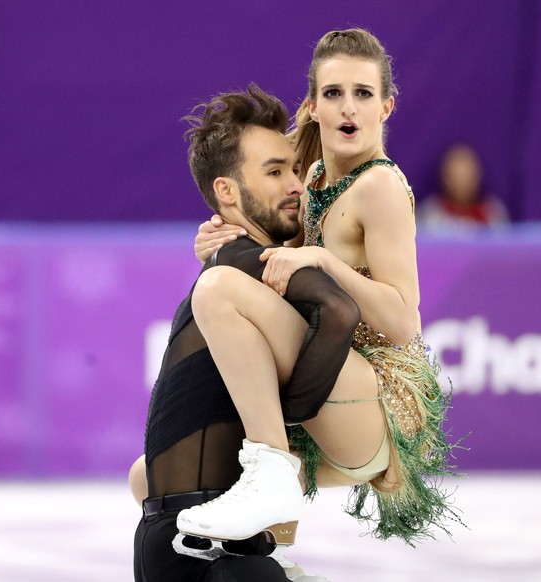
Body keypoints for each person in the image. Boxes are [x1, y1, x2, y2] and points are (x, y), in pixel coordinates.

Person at [182, 28, 463, 550]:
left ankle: (273, 475)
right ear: (312, 106)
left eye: (363, 93)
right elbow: (267, 244)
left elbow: (405, 322)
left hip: (376, 401)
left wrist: (322, 258)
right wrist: (219, 232)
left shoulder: (377, 186)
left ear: (387, 107)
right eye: (333, 93)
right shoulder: (311, 176)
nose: (347, 107)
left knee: (219, 292)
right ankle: (279, 561)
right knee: (160, 480)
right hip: (325, 390)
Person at [134, 84, 361, 581]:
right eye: (276, 171)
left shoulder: (233, 273)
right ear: (227, 191)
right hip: (211, 551)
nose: (297, 185)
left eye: (295, 170)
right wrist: (297, 420)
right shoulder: (238, 265)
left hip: (179, 541)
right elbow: (338, 311)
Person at [418, 143, 510, 228]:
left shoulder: (493, 213)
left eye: (468, 175)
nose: (462, 182)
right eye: (456, 175)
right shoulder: (429, 213)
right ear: (445, 177)